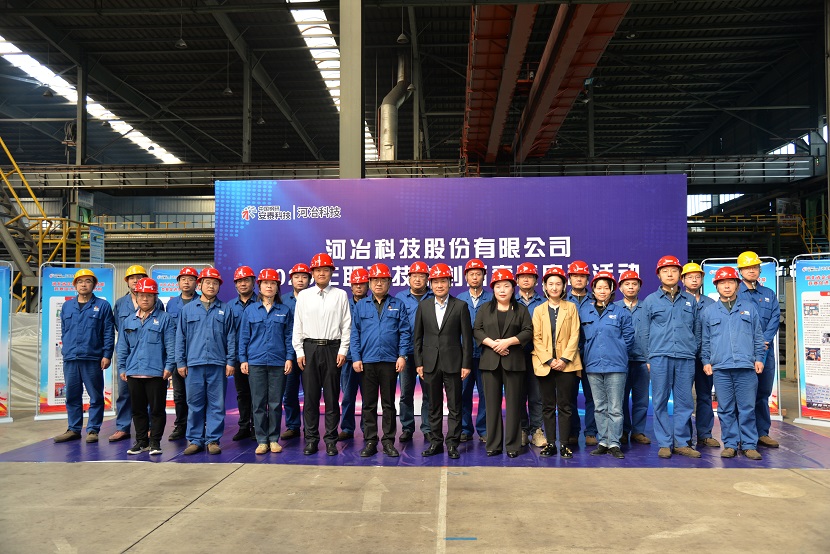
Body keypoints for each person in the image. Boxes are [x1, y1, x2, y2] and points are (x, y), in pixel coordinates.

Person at [700, 267, 766, 461]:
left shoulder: (749, 308)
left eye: (730, 282)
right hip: (721, 368)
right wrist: (706, 361)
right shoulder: (709, 312)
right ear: (716, 286)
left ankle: (749, 445)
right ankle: (730, 444)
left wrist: (759, 358)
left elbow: (758, 336)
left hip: (746, 367)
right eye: (722, 283)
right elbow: (705, 340)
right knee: (725, 408)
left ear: (737, 285)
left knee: (747, 408)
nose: (727, 286)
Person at [292, 253, 352, 456]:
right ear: (313, 273)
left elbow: (346, 325)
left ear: (331, 272)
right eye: (318, 270)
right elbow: (298, 325)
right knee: (310, 398)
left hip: (332, 349)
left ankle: (331, 440)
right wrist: (299, 351)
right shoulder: (304, 296)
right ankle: (311, 439)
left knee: (332, 397)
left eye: (325, 270)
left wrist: (343, 350)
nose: (321, 273)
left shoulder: (340, 295)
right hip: (309, 348)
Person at [642, 255, 702, 459]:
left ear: (680, 275)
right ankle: (665, 443)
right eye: (665, 271)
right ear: (658, 275)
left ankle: (682, 442)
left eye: (674, 271)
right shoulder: (650, 301)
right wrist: (649, 358)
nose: (670, 274)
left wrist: (693, 350)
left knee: (685, 402)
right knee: (660, 401)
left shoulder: (690, 301)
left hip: (685, 357)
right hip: (660, 357)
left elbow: (697, 329)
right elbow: (644, 332)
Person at [350, 263, 411, 458]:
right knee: (368, 404)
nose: (378, 283)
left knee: (388, 404)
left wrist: (402, 355)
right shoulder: (361, 306)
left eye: (383, 280)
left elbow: (405, 332)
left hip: (390, 361)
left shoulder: (398, 304)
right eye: (375, 280)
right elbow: (355, 334)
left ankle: (388, 441)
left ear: (389, 283)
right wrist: (356, 357)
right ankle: (370, 440)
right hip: (367, 361)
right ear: (369, 283)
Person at [414, 263, 473, 459]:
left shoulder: (460, 306)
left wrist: (466, 364)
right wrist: (419, 363)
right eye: (436, 282)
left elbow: (467, 338)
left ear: (450, 283)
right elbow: (417, 337)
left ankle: (453, 443)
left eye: (443, 281)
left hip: (454, 363)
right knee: (433, 405)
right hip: (430, 363)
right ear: (430, 284)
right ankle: (436, 442)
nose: (439, 285)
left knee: (455, 405)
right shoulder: (423, 306)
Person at [175, 268, 236, 455]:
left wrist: (230, 361)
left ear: (219, 286)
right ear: (200, 285)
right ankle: (195, 440)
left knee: (217, 404)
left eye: (215, 283)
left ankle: (213, 440)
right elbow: (180, 337)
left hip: (218, 364)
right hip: (194, 364)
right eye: (208, 282)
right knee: (194, 403)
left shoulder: (226, 309)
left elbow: (231, 337)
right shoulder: (187, 310)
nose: (211, 286)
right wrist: (180, 362)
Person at [474, 269, 533, 458]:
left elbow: (528, 331)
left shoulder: (521, 309)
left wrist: (508, 342)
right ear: (493, 289)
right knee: (491, 405)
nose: (502, 290)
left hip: (513, 362)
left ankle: (513, 445)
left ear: (513, 288)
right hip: (490, 362)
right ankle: (493, 444)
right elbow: (477, 330)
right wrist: (494, 344)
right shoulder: (485, 308)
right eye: (498, 286)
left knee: (515, 405)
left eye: (506, 286)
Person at [53, 269, 115, 444]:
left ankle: (93, 430)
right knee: (72, 395)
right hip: (71, 358)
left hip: (92, 358)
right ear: (75, 285)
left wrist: (107, 354)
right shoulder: (67, 306)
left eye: (88, 281)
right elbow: (65, 330)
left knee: (95, 396)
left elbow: (108, 332)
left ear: (94, 285)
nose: (84, 284)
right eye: (80, 281)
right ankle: (73, 429)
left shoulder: (103, 306)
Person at [116, 278, 175, 456]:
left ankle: (155, 442)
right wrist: (122, 368)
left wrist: (169, 366)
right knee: (138, 410)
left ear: (155, 297)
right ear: (136, 296)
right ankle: (141, 442)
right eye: (141, 295)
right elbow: (122, 347)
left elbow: (170, 345)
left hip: (156, 372)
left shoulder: (165, 319)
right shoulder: (129, 321)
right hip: (133, 372)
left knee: (157, 410)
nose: (145, 299)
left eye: (149, 295)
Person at [579, 271, 634, 460]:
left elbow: (629, 338)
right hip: (593, 366)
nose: (602, 291)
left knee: (616, 407)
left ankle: (615, 443)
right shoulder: (585, 312)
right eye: (599, 287)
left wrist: (618, 352)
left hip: (616, 366)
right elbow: (580, 339)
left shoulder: (621, 312)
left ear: (612, 290)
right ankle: (603, 441)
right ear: (593, 290)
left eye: (606, 288)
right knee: (599, 406)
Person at [238, 268, 294, 455]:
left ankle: (273, 439)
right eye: (265, 283)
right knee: (259, 403)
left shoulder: (284, 310)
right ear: (259, 286)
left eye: (273, 283)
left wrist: (289, 358)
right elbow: (244, 337)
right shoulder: (250, 310)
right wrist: (243, 359)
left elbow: (289, 337)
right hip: (256, 362)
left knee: (276, 403)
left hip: (278, 362)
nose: (269, 286)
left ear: (277, 287)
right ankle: (262, 440)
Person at [531, 267, 582, 459]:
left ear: (564, 286)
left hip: (567, 364)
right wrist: (550, 360)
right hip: (545, 364)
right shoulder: (538, 310)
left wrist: (564, 359)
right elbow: (536, 338)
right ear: (544, 286)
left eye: (558, 284)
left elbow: (575, 334)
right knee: (547, 405)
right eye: (550, 284)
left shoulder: (571, 308)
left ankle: (565, 444)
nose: (554, 287)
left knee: (565, 405)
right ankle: (551, 443)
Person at [111, 264, 163, 443]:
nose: (136, 280)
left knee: (148, 395)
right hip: (129, 356)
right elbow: (119, 328)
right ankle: (122, 427)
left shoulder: (157, 303)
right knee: (124, 393)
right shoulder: (120, 303)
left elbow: (159, 325)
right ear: (126, 281)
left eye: (139, 277)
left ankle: (148, 428)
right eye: (132, 278)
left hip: (150, 355)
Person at [737, 251, 782, 449]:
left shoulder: (768, 294)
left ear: (759, 270)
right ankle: (742, 435)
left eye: (754, 267)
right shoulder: (735, 294)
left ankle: (762, 432)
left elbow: (775, 318)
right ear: (740, 271)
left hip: (765, 350)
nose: (751, 270)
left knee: (763, 392)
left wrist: (764, 340)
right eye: (747, 268)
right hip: (743, 351)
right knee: (744, 395)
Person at [681, 262, 719, 448]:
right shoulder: (678, 301)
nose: (694, 280)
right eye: (690, 277)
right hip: (684, 356)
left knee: (704, 395)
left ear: (703, 279)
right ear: (683, 280)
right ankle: (684, 436)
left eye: (697, 277)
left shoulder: (710, 303)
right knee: (684, 398)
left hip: (706, 358)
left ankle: (705, 434)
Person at [395, 260, 433, 442]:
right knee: (406, 393)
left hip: (428, 353)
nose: (418, 279)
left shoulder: (434, 296)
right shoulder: (400, 298)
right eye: (414, 276)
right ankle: (407, 427)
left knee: (429, 393)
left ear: (427, 279)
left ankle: (428, 428)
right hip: (407, 352)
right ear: (408, 278)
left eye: (422, 276)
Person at [457, 258, 492, 443]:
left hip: (486, 354)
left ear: (484, 276)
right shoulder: (459, 299)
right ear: (466, 277)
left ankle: (484, 429)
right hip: (464, 355)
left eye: (478, 274)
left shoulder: (492, 298)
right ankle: (464, 428)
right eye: (472, 274)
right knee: (463, 392)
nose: (475, 277)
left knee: (486, 393)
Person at [615, 270, 651, 446]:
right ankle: (623, 431)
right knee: (620, 399)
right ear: (620, 287)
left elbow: (654, 334)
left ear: (639, 287)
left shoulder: (648, 308)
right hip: (621, 361)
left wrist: (650, 359)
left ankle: (638, 431)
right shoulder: (614, 308)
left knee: (641, 399)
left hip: (642, 361)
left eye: (634, 284)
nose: (631, 287)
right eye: (627, 284)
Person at [164, 266, 200, 441]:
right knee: (179, 395)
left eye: (191, 279)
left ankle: (198, 426)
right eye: (183, 279)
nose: (186, 282)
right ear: (178, 282)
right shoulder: (171, 304)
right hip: (177, 355)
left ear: (197, 283)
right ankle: (181, 425)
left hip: (197, 354)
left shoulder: (203, 302)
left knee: (197, 394)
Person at [565, 260, 597, 446]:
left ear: (587, 279)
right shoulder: (562, 300)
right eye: (575, 276)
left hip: (591, 355)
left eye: (582, 276)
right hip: (568, 356)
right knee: (569, 396)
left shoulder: (597, 300)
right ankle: (573, 431)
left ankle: (591, 431)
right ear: (569, 278)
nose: (579, 279)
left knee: (592, 396)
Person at [515, 261, 547, 448]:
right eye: (522, 277)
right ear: (517, 280)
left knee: (537, 396)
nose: (526, 280)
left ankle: (537, 430)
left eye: (530, 276)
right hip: (515, 355)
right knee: (517, 394)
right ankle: (522, 429)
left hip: (538, 356)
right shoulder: (510, 301)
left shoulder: (543, 302)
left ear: (536, 280)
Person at [280, 262, 311, 440]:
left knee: (310, 392)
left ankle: (309, 427)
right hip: (288, 354)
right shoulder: (283, 300)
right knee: (289, 391)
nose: (300, 280)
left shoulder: (314, 298)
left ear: (309, 280)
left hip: (310, 352)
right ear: (291, 280)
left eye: (304, 277)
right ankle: (292, 426)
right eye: (297, 277)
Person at [228, 265, 257, 442]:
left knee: (258, 394)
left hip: (257, 356)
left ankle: (257, 426)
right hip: (239, 357)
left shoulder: (261, 302)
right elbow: (228, 334)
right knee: (242, 393)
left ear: (253, 282)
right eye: (239, 281)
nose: (243, 284)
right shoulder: (230, 306)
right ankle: (244, 426)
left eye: (246, 280)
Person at [339, 267, 369, 441]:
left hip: (368, 357)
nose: (359, 287)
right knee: (348, 396)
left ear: (368, 285)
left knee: (368, 398)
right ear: (351, 286)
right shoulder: (344, 305)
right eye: (355, 284)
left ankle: (367, 428)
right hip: (348, 358)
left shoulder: (372, 304)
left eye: (362, 284)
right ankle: (347, 428)